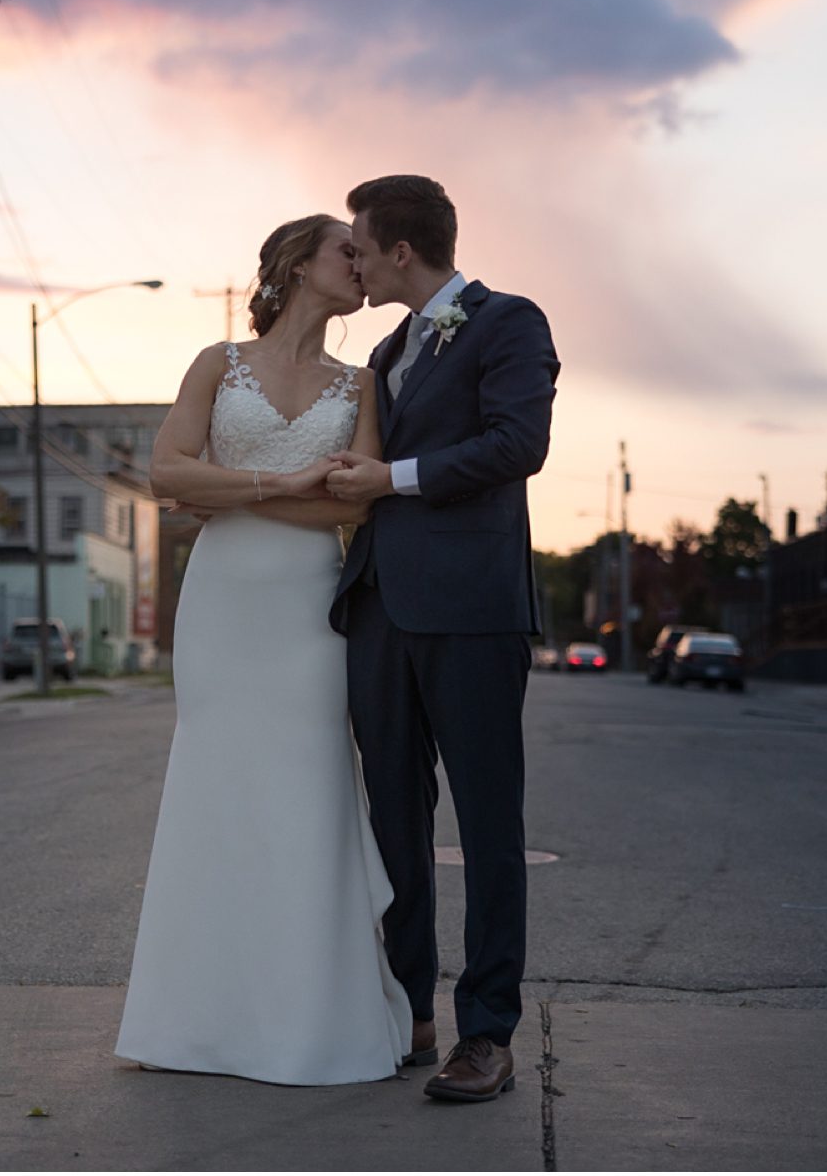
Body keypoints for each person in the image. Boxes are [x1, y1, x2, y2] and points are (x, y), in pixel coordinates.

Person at [114, 213, 413, 1085]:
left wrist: (235, 492)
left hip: (310, 610)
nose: (361, 264)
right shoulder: (218, 363)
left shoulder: (361, 386)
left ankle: (309, 1018)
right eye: (346, 251)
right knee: (216, 790)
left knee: (307, 789)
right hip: (221, 607)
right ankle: (196, 1021)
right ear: (295, 263)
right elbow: (167, 473)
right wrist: (280, 481)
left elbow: (352, 506)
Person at [325, 174, 560, 1103]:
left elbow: (518, 444)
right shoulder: (387, 347)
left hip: (471, 608)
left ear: (400, 252)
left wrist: (394, 476)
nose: (351, 257)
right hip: (379, 608)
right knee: (394, 818)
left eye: (358, 243)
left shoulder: (508, 322)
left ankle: (488, 1032)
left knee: (489, 822)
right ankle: (410, 1009)